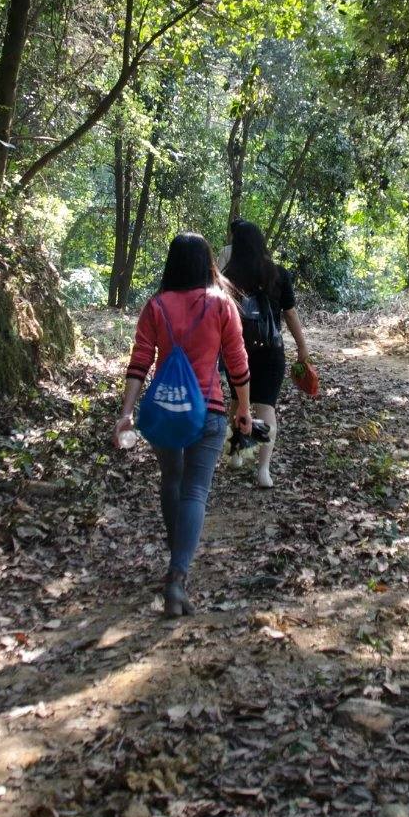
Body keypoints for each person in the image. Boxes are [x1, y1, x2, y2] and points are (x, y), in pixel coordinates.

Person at [114, 233, 253, 616]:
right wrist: (244, 409)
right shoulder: (222, 305)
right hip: (208, 411)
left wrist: (127, 412)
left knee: (171, 482)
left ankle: (177, 563)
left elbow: (139, 363)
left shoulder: (155, 306)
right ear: (207, 263)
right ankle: (177, 576)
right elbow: (238, 364)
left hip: (165, 411)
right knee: (195, 492)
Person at [220, 220, 311, 488]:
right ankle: (263, 470)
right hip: (271, 350)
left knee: (238, 402)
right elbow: (290, 313)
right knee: (265, 407)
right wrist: (302, 347)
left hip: (237, 351)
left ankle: (237, 453)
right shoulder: (278, 274)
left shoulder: (228, 276)